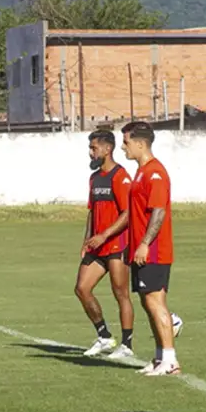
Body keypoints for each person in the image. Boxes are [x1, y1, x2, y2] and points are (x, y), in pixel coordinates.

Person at [120, 122, 179, 376]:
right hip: (140, 250)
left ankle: (170, 360)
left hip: (154, 251)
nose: (123, 147)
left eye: (126, 142)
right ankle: (159, 358)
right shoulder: (141, 172)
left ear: (140, 144)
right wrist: (132, 245)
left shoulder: (155, 173)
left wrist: (144, 243)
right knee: (148, 303)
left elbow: (159, 211)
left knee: (155, 302)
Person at [77, 129, 135, 359]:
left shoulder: (120, 177)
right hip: (97, 245)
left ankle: (127, 344)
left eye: (94, 148)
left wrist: (105, 235)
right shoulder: (94, 178)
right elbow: (92, 211)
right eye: (90, 148)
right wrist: (87, 240)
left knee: (120, 293)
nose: (91, 153)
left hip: (117, 245)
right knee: (82, 289)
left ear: (107, 149)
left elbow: (128, 213)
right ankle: (104, 336)